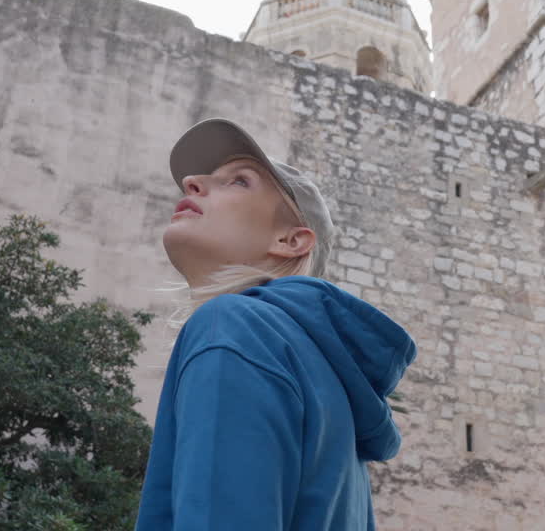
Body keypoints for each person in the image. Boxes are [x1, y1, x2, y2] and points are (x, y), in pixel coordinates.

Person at [134, 118, 417, 531]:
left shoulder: (233, 327)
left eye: (238, 181)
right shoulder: (332, 394)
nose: (192, 182)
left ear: (290, 241)